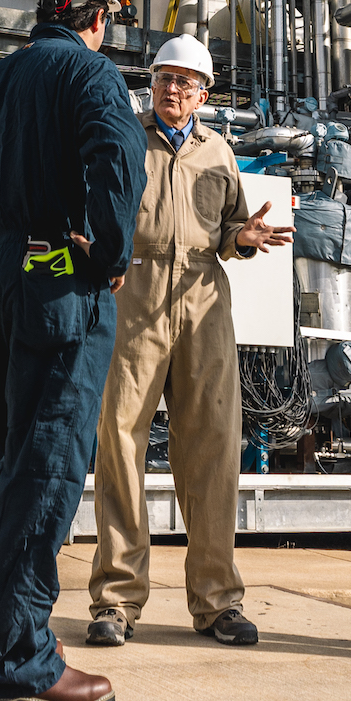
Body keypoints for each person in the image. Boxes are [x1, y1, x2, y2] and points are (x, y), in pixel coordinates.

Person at [0, 0, 147, 701]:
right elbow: (118, 160)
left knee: (4, 459)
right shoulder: (91, 75)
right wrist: (110, 253)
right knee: (47, 463)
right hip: (57, 283)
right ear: (97, 15)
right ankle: (18, 658)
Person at [87, 33, 290, 648]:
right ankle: (116, 601)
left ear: (205, 92)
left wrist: (242, 238)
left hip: (203, 298)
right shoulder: (127, 138)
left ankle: (217, 600)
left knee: (213, 445)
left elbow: (230, 226)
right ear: (151, 83)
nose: (174, 89)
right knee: (119, 440)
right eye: (165, 78)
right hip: (136, 292)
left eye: (186, 81)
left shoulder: (219, 151)